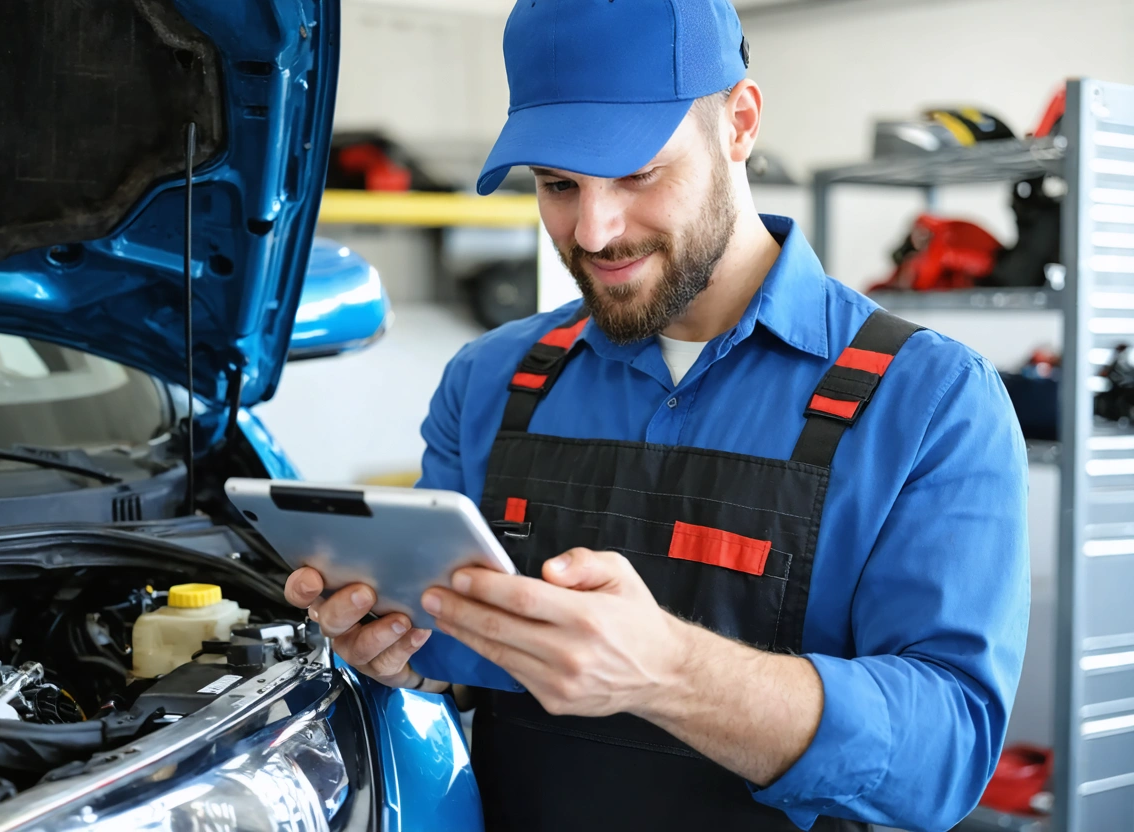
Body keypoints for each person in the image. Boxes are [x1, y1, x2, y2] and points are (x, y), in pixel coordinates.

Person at [284, 1, 1031, 829]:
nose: (595, 231)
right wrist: (403, 657)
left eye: (638, 173)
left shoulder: (931, 401)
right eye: (558, 184)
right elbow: (459, 665)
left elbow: (947, 756)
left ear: (739, 123)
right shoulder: (492, 379)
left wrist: (669, 671)